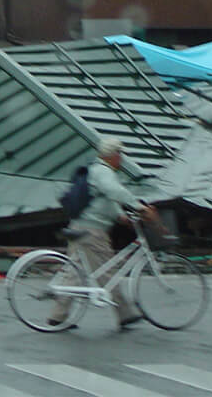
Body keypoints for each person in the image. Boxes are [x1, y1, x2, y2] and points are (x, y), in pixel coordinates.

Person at [50, 137, 158, 331]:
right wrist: (138, 206)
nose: (122, 159)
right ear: (114, 155)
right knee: (108, 272)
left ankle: (58, 316)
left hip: (79, 227)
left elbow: (105, 199)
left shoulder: (95, 170)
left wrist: (121, 217)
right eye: (121, 155)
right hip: (92, 231)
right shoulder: (103, 171)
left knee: (75, 272)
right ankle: (125, 314)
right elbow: (114, 191)